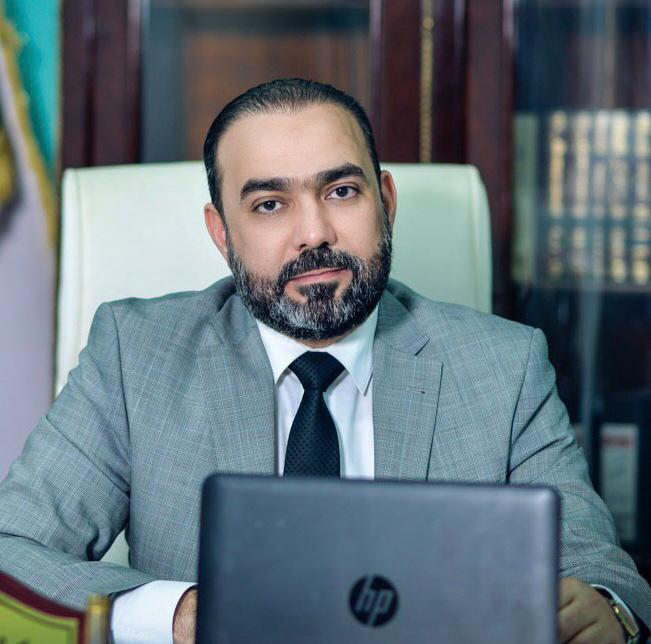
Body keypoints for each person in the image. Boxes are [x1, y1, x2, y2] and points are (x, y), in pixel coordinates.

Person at [0, 79, 649, 644]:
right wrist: (181, 615)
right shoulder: (135, 356)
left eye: (340, 191)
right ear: (222, 233)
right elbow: (10, 554)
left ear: (385, 201)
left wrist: (608, 613)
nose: (313, 233)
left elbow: (602, 572)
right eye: (269, 204)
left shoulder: (503, 367)